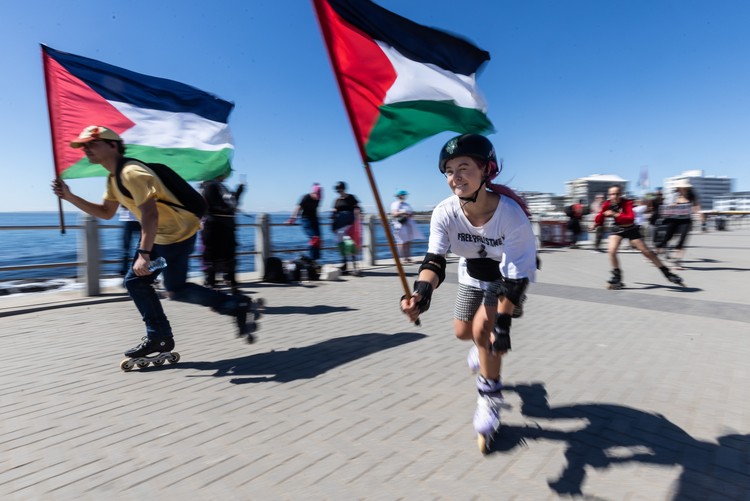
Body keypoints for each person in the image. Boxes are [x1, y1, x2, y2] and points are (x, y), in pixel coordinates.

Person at [52, 125, 258, 361]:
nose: (86, 149)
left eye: (92, 143)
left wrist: (144, 253)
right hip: (168, 235)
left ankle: (162, 334)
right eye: (84, 145)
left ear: (113, 145)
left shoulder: (131, 173)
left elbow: (150, 213)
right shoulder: (113, 177)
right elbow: (106, 212)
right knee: (169, 288)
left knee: (143, 283)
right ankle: (234, 306)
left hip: (172, 237)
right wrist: (69, 196)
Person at [399, 134, 537, 453]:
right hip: (471, 275)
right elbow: (434, 260)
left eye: (464, 167)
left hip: (506, 281)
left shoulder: (511, 216)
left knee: (485, 332)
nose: (455, 176)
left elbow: (515, 279)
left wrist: (501, 326)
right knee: (463, 333)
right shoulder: (445, 212)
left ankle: (490, 398)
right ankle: (482, 349)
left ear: (486, 170)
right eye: (449, 170)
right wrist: (421, 294)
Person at [590, 185, 683, 289]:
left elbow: (630, 218)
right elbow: (601, 215)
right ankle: (617, 277)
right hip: (617, 229)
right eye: (612, 194)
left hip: (631, 229)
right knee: (611, 251)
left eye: (617, 194)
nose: (614, 196)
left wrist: (615, 214)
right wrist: (595, 224)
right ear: (609, 195)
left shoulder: (627, 203)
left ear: (620, 194)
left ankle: (668, 273)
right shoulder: (607, 204)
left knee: (647, 252)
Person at [201, 174, 244, 292]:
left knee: (219, 256)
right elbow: (227, 205)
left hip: (219, 225)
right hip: (218, 225)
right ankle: (217, 286)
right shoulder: (211, 186)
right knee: (220, 256)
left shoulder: (215, 186)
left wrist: (239, 191)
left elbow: (229, 204)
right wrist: (239, 192)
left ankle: (218, 285)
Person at [655, 180, 701, 270]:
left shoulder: (692, 196)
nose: (682, 189)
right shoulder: (673, 196)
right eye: (681, 187)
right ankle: (655, 255)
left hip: (686, 221)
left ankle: (677, 262)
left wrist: (699, 214)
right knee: (667, 238)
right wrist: (672, 205)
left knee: (682, 240)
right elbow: (666, 207)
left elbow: (696, 207)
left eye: (684, 187)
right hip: (672, 219)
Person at [286, 183, 323, 262]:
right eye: (317, 195)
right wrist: (292, 218)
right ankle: (311, 260)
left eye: (319, 196)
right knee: (314, 239)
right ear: (313, 192)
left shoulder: (319, 199)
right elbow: (298, 208)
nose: (317, 198)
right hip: (306, 219)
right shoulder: (306, 197)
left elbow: (315, 209)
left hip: (315, 219)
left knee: (319, 240)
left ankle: (315, 261)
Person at [331, 181, 361, 275]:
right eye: (337, 189)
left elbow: (357, 208)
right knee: (341, 244)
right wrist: (333, 224)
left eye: (339, 189)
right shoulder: (337, 200)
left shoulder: (351, 197)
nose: (338, 191)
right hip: (340, 225)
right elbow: (334, 213)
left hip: (350, 224)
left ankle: (355, 266)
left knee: (350, 244)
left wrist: (357, 220)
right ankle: (345, 264)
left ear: (343, 188)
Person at [390, 190, 424, 263]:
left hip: (408, 225)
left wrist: (409, 214)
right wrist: (403, 212)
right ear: (399, 196)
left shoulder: (407, 204)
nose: (404, 196)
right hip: (400, 225)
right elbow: (394, 213)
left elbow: (411, 214)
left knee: (408, 242)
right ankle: (402, 258)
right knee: (401, 242)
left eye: (404, 195)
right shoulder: (395, 204)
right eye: (403, 195)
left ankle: (408, 257)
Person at [117, 206, 141, 276]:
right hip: (133, 218)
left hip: (131, 219)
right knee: (141, 247)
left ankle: (126, 271)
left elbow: (123, 205)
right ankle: (128, 270)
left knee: (126, 248)